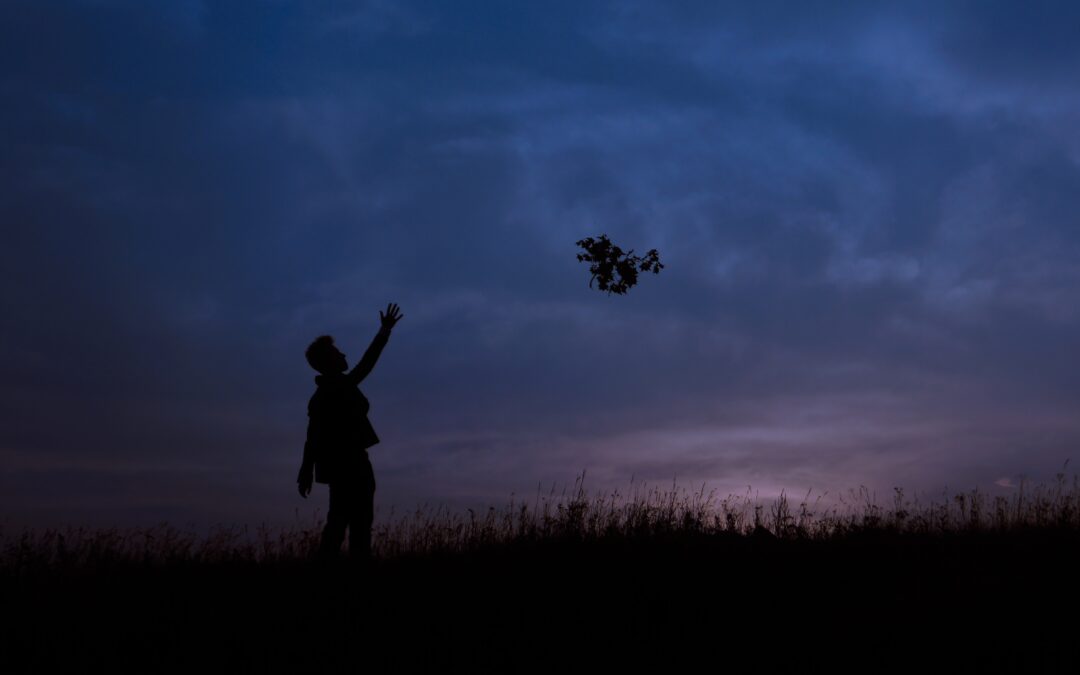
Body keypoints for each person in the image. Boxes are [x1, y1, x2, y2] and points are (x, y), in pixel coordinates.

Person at [297, 302, 404, 561]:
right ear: (329, 362)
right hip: (348, 463)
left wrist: (306, 470)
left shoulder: (331, 389)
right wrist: (384, 332)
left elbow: (312, 436)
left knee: (347, 522)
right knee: (349, 524)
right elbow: (313, 435)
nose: (343, 354)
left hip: (347, 462)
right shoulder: (332, 390)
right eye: (337, 352)